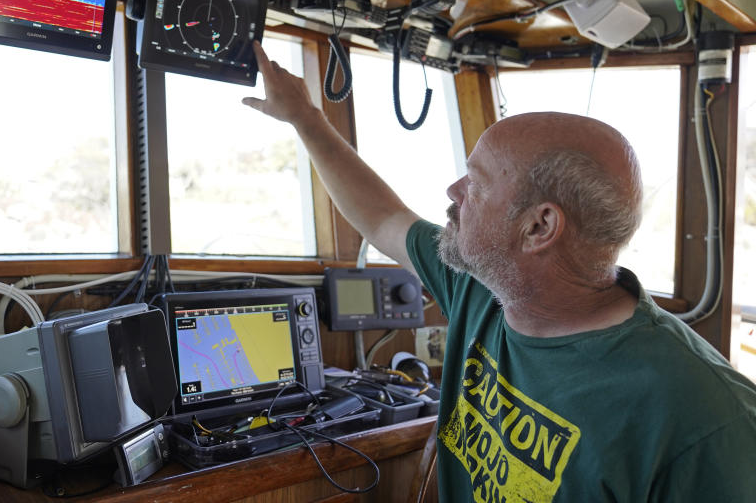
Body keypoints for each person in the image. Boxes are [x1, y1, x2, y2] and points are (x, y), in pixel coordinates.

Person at [243, 42, 756, 502]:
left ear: (539, 227)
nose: (453, 193)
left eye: (477, 181)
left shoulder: (708, 419)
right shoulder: (483, 287)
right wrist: (305, 118)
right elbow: (380, 217)